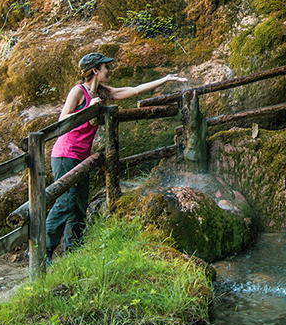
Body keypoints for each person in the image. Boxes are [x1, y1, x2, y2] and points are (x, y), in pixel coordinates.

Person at [44, 52, 188, 261]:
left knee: (79, 205)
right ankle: (43, 253)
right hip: (65, 154)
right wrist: (89, 109)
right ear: (95, 70)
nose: (110, 71)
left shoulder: (102, 93)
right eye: (106, 67)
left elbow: (134, 90)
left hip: (82, 156)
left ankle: (72, 253)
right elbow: (62, 119)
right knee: (65, 203)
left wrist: (165, 79)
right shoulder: (78, 91)